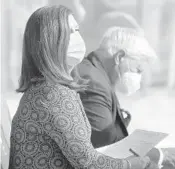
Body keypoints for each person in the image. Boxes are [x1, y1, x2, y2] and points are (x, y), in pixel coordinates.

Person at [8, 5, 159, 169]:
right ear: (50, 42)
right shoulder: (53, 94)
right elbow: (87, 162)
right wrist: (132, 165)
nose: (78, 37)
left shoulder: (52, 88)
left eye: (77, 29)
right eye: (70, 32)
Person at [76, 27, 175, 168]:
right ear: (119, 57)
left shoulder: (98, 75)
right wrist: (157, 159)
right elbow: (107, 146)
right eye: (138, 70)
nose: (138, 78)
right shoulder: (93, 82)